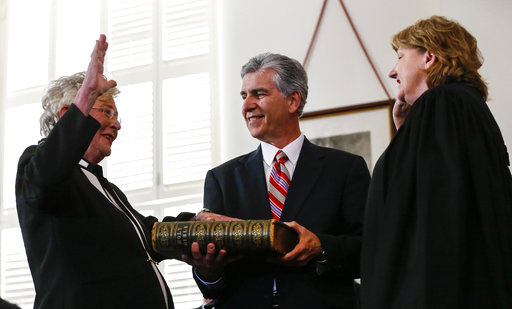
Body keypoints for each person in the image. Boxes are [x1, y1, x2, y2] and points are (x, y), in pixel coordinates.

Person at [183, 53, 371, 308]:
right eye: (243, 96)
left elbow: (370, 251)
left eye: (258, 94)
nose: (246, 106)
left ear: (293, 100)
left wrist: (321, 247)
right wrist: (208, 271)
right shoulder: (222, 178)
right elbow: (212, 285)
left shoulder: (345, 169)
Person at [15, 35, 188, 309]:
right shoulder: (38, 162)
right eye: (106, 111)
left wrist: (200, 224)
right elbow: (47, 178)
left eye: (117, 116)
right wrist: (86, 97)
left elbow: (148, 235)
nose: (116, 124)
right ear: (67, 115)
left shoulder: (101, 185)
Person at [360, 16, 512, 308]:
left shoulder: (442, 103)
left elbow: (431, 220)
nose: (393, 71)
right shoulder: (464, 106)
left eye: (400, 56)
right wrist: (406, 129)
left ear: (429, 57)